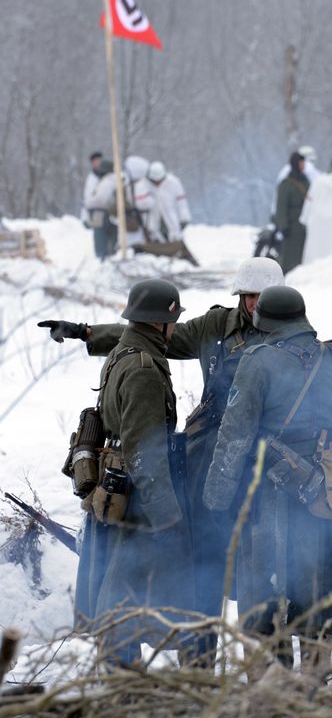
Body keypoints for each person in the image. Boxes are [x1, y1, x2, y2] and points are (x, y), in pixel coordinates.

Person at [37, 257, 285, 666]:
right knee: (199, 564)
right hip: (206, 460)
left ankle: (267, 670)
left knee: (260, 570)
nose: (255, 304)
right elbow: (150, 334)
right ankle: (197, 668)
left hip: (259, 464)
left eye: (262, 297)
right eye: (249, 296)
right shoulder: (215, 327)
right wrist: (86, 333)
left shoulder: (286, 332)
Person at [203, 285, 332, 672]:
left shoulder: (256, 361)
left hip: (269, 500)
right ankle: (313, 687)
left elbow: (234, 437)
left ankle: (271, 696)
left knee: (266, 603)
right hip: (328, 497)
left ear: (263, 320)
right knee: (319, 598)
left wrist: (216, 500)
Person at [73, 279, 193, 667]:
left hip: (117, 489)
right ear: (161, 322)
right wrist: (167, 516)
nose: (175, 328)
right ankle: (122, 683)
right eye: (173, 321)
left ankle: (119, 675)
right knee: (126, 595)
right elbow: (144, 450)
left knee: (118, 590)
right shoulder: (143, 368)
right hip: (138, 501)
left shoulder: (126, 349)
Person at [135, 161, 192, 244]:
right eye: (155, 181)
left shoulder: (173, 182)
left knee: (174, 241)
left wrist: (184, 217)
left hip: (172, 219)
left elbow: (181, 202)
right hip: (152, 221)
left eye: (160, 180)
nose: (158, 182)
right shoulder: (142, 185)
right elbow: (140, 204)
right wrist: (149, 202)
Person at [274, 151, 310, 273]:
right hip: (292, 225)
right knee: (289, 256)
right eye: (301, 162)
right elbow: (281, 206)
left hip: (304, 224)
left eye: (303, 162)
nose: (303, 165)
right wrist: (283, 226)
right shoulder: (286, 184)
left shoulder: (306, 181)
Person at [82, 157, 117, 260]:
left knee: (101, 239)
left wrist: (89, 202)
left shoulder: (108, 181)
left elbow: (100, 199)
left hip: (104, 214)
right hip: (107, 215)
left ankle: (103, 258)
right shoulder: (110, 180)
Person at [81, 151, 103, 227]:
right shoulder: (91, 179)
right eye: (95, 162)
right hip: (96, 214)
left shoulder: (109, 176)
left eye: (98, 161)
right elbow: (87, 198)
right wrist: (85, 217)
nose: (97, 163)